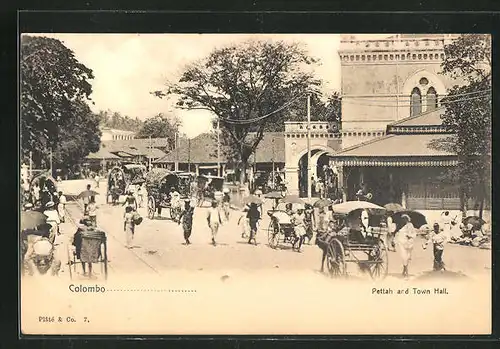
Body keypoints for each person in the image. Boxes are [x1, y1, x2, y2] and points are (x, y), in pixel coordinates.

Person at [395, 214, 417, 278]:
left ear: (407, 219)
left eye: (404, 219)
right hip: (402, 243)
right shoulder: (400, 226)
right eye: (402, 219)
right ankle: (406, 273)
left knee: (407, 258)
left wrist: (409, 235)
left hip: (409, 243)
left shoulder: (410, 225)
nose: (403, 220)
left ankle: (404, 270)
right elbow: (398, 234)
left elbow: (414, 234)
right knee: (404, 257)